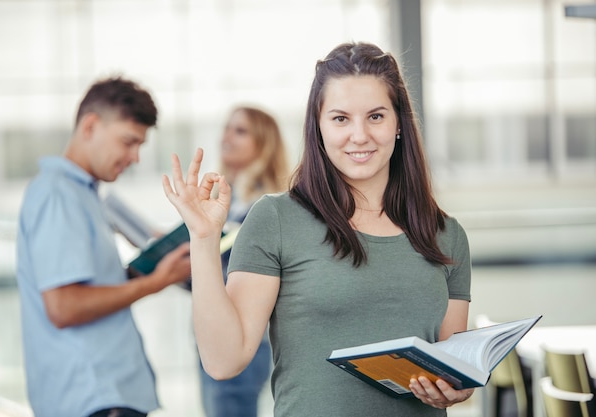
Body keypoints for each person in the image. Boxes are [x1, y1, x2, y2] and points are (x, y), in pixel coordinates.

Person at [162, 42, 474, 416]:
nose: (359, 135)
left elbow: (451, 370)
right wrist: (203, 238)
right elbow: (223, 361)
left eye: (375, 116)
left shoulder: (446, 235)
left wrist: (456, 389)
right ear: (319, 127)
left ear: (398, 125)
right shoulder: (276, 220)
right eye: (340, 119)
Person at [16, 76, 192, 417]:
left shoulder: (84, 195)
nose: (135, 157)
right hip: (93, 399)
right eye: (128, 142)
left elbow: (87, 290)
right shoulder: (58, 194)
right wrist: (155, 283)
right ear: (91, 126)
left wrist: (143, 271)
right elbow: (64, 306)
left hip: (103, 395)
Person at [194, 106, 289, 417]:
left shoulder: (266, 206)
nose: (227, 137)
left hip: (244, 334)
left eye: (240, 130)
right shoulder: (227, 199)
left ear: (264, 142)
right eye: (227, 128)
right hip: (211, 330)